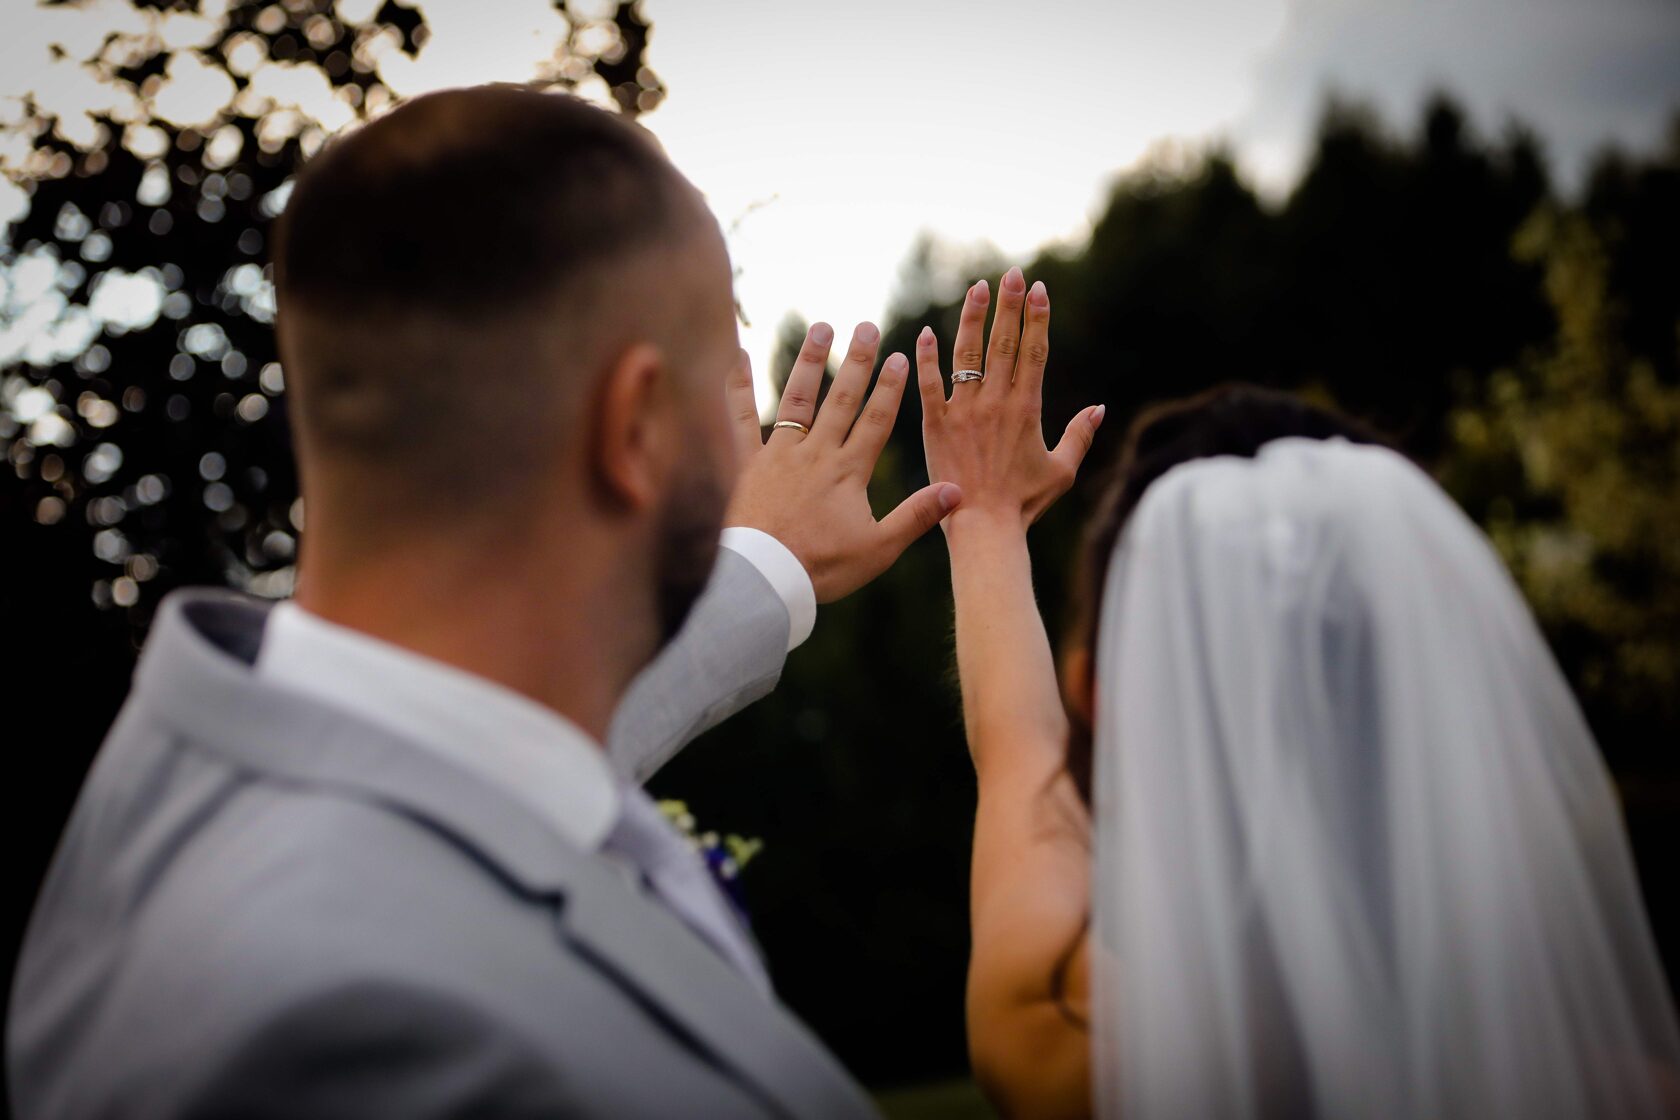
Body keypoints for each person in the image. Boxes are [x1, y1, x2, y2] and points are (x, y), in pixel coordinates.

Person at [7, 85, 970, 1118]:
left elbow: (491, 763)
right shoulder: (359, 1043)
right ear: (636, 427)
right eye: (720, 366)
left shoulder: (193, 756)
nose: (753, 437)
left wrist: (762, 570)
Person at [919, 280, 1680, 1118]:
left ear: (1093, 695)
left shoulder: (1063, 1044)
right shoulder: (1622, 1093)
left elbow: (1020, 747)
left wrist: (984, 518)